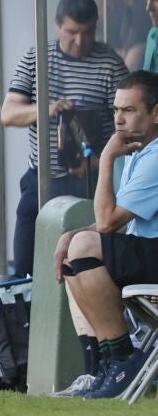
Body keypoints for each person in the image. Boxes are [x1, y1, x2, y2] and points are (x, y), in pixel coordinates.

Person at [0, 0, 127, 276]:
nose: (80, 41)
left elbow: (129, 128)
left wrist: (96, 163)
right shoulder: (37, 58)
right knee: (25, 266)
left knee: (79, 267)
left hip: (90, 184)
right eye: (72, 32)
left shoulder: (109, 64)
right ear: (58, 25)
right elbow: (8, 113)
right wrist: (47, 109)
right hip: (42, 180)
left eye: (88, 32)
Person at [51, 73, 158, 397]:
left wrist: (107, 157)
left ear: (156, 113)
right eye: (115, 110)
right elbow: (116, 222)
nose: (119, 119)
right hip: (146, 250)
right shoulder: (142, 152)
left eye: (129, 110)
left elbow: (108, 222)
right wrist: (70, 234)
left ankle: (124, 357)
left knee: (84, 246)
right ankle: (111, 360)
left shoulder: (154, 157)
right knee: (76, 247)